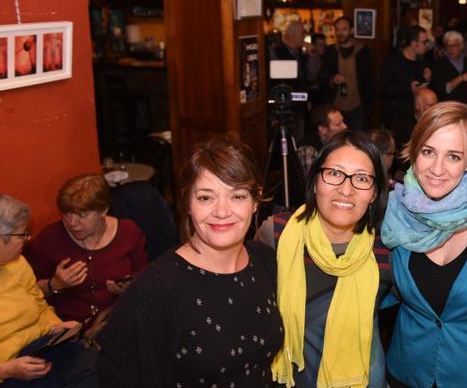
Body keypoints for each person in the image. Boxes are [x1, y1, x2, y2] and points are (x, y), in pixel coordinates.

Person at [96, 136, 283, 387]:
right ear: (187, 202)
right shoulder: (154, 290)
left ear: (256, 200)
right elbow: (115, 374)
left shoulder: (265, 261)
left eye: (237, 196)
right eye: (206, 198)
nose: (222, 211)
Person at [381, 102, 467, 387]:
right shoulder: (395, 213)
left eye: (453, 156)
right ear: (414, 152)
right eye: (428, 151)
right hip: (407, 372)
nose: (437, 169)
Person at [271, 131, 391, 388]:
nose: (345, 190)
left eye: (361, 178)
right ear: (315, 181)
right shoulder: (276, 234)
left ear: (374, 193)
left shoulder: (385, 252)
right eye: (335, 174)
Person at [24, 174, 148, 330]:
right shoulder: (50, 238)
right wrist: (55, 284)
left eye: (82, 215)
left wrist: (128, 287)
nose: (72, 223)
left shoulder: (128, 231)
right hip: (68, 330)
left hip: (117, 323)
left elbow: (144, 277)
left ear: (103, 210)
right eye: (67, 214)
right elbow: (26, 292)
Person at [0, 194, 96, 388]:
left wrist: (57, 328)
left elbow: (40, 306)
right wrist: (7, 369)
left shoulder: (17, 263)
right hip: (10, 367)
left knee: (95, 364)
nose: (28, 240)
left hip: (40, 347)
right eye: (23, 234)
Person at [319, 17, 375, 130]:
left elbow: (370, 81)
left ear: (351, 30)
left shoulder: (363, 51)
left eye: (344, 29)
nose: (340, 33)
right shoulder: (330, 51)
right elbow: (321, 77)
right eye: (337, 29)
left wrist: (368, 107)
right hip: (335, 106)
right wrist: (333, 79)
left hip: (358, 106)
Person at [381, 25, 431, 148]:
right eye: (424, 42)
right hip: (398, 118)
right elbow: (383, 90)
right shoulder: (393, 62)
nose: (427, 45)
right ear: (414, 44)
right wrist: (408, 90)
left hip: (418, 117)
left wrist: (428, 80)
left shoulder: (422, 61)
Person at [429, 30, 467, 110]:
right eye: (447, 46)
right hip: (448, 109)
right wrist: (460, 78)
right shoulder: (439, 65)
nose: (450, 49)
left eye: (454, 45)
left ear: (461, 46)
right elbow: (440, 91)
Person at [297, 104, 348, 175]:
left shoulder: (342, 142)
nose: (345, 126)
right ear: (323, 129)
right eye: (338, 124)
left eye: (343, 121)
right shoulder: (309, 150)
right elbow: (312, 181)